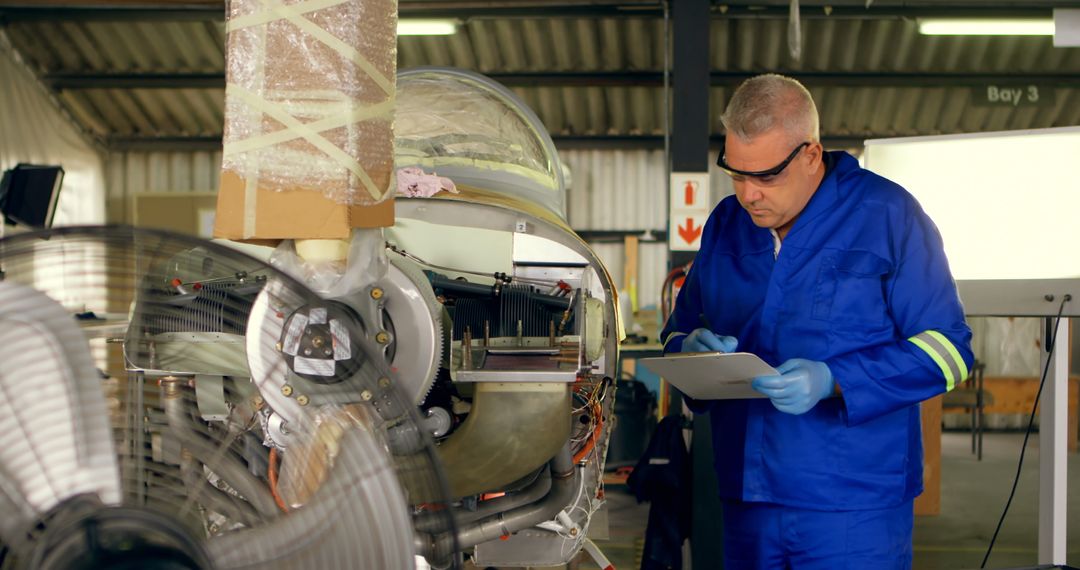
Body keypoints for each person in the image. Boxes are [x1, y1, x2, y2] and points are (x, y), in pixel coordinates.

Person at [660, 73, 973, 569]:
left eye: (765, 176)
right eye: (736, 174)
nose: (748, 195)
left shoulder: (888, 215)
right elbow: (678, 328)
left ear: (811, 154)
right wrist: (688, 349)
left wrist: (837, 380)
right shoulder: (724, 223)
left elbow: (950, 352)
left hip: (853, 505)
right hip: (747, 495)